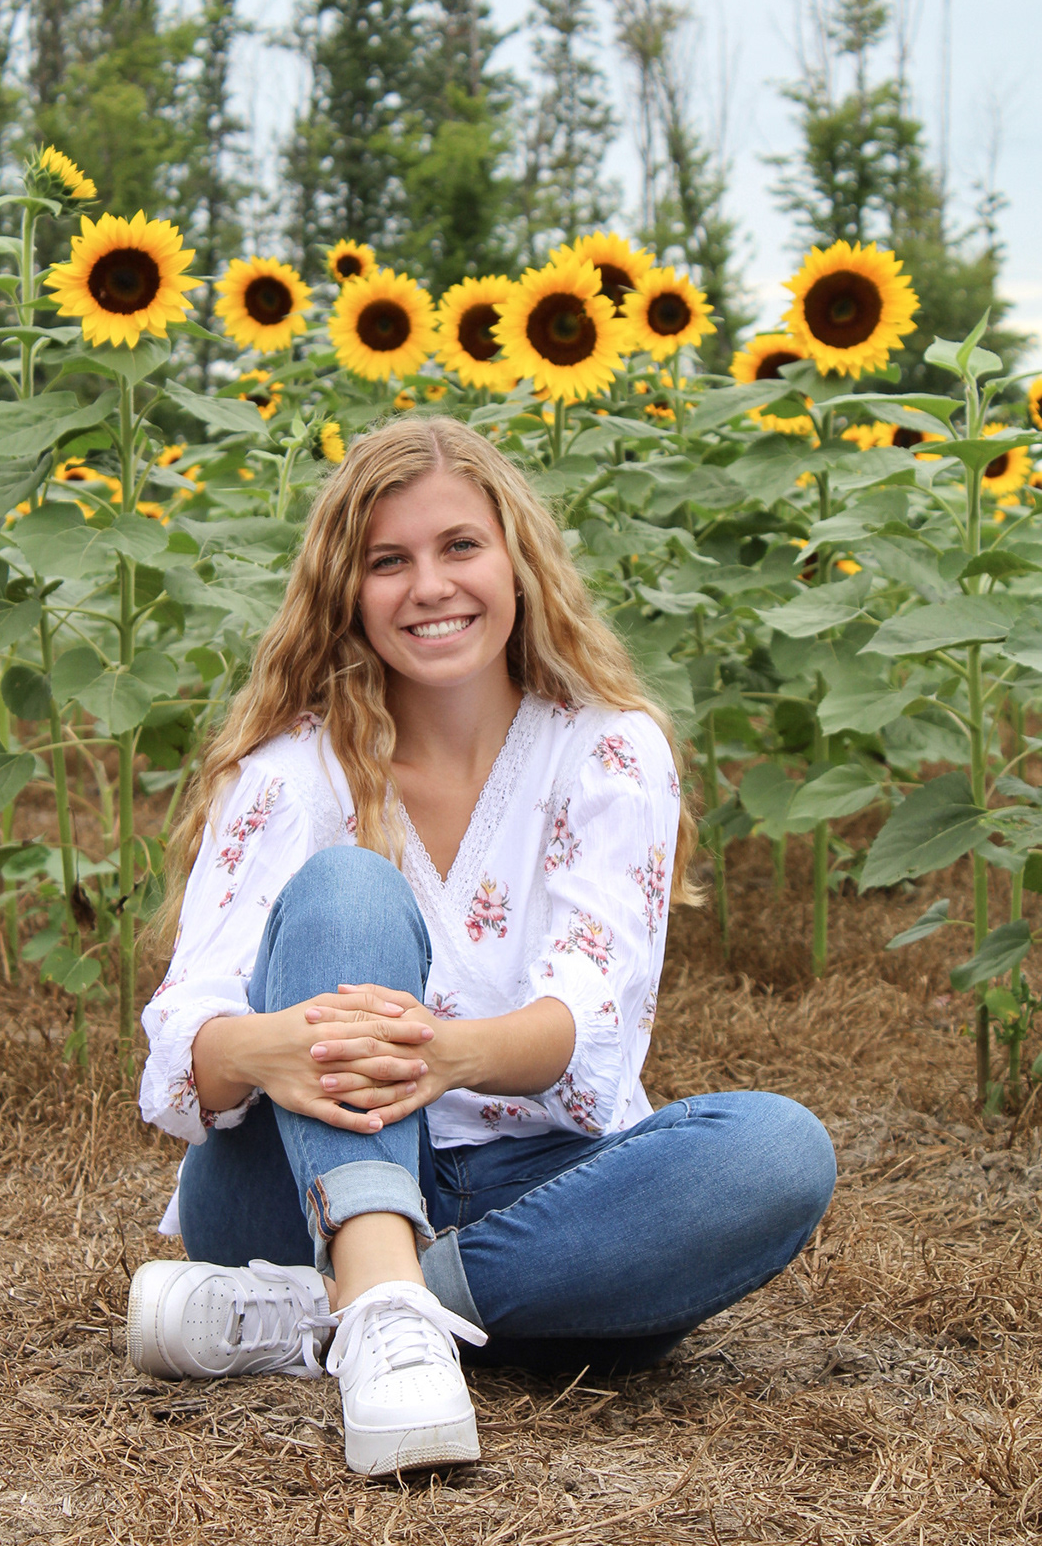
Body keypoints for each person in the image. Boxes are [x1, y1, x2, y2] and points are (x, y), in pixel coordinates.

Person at [129, 415, 836, 1479]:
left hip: (537, 1187)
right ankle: (383, 1284)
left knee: (779, 1152)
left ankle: (334, 1312)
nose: (430, 586)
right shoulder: (289, 772)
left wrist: (450, 1054)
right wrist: (267, 1047)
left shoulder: (607, 750)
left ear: (517, 561)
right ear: (347, 593)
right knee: (346, 888)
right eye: (388, 562)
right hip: (293, 1189)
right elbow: (184, 1044)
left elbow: (588, 1022)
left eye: (460, 546)